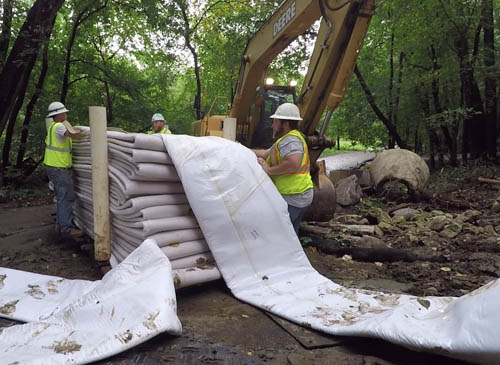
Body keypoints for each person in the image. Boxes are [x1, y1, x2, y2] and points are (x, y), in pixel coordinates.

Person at [253, 103, 313, 235]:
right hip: (300, 194)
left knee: (279, 235)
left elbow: (294, 163)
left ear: (285, 124)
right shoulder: (288, 139)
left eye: (275, 121)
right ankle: (294, 254)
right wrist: (241, 149)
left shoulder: (291, 140)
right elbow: (264, 154)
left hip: (294, 195)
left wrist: (269, 170)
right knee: (291, 234)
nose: (272, 125)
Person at [44, 102, 83, 239]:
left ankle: (61, 226)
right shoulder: (60, 126)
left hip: (54, 166)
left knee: (63, 196)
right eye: (64, 112)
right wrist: (88, 132)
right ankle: (66, 229)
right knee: (65, 196)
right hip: (58, 167)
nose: (66, 114)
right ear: (58, 114)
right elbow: (73, 134)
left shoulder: (52, 127)